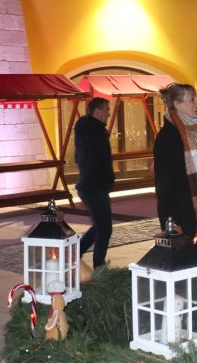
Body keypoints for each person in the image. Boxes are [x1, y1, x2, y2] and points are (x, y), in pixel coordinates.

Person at [153, 83, 197, 259]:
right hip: (182, 218)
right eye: (192, 100)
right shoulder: (168, 137)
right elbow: (164, 186)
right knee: (189, 265)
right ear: (177, 104)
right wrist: (171, 223)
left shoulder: (192, 132)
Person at [74, 97, 114, 268]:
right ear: (98, 112)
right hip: (94, 186)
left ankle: (76, 253)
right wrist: (105, 180)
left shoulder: (88, 130)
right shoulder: (94, 133)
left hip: (90, 184)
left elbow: (79, 158)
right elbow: (96, 161)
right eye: (106, 110)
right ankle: (99, 266)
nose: (108, 114)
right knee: (104, 228)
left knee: (99, 226)